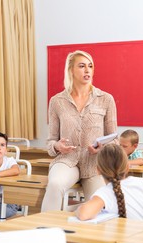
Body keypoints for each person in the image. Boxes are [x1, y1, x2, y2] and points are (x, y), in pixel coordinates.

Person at [41, 50, 118, 212]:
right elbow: (50, 142)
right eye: (82, 66)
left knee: (100, 206)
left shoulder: (106, 99)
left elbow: (115, 139)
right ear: (71, 71)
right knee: (54, 184)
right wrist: (57, 146)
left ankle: (78, 228)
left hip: (95, 163)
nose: (87, 70)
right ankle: (45, 230)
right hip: (67, 160)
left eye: (90, 66)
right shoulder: (57, 101)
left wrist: (101, 147)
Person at [75, 144, 143, 221]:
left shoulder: (104, 192)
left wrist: (78, 209)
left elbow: (84, 214)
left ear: (98, 170)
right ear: (127, 167)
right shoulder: (137, 182)